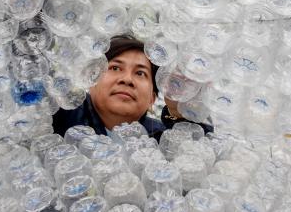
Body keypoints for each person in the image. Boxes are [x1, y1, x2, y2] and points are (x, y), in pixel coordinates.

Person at [52, 35, 212, 141]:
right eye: (115, 68)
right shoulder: (62, 113)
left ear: (152, 98)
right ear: (91, 80)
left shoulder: (158, 138)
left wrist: (177, 112)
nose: (127, 79)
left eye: (140, 73)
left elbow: (203, 146)